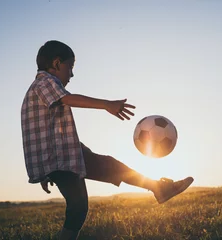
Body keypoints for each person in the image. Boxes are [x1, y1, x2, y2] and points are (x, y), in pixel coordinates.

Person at [21, 40, 194, 240]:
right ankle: (159, 188)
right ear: (58, 63)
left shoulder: (37, 90)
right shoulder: (44, 82)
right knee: (78, 206)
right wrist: (106, 104)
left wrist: (45, 172)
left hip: (66, 154)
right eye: (71, 67)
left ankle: (160, 188)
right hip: (60, 160)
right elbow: (67, 99)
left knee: (109, 169)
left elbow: (42, 134)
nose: (72, 74)